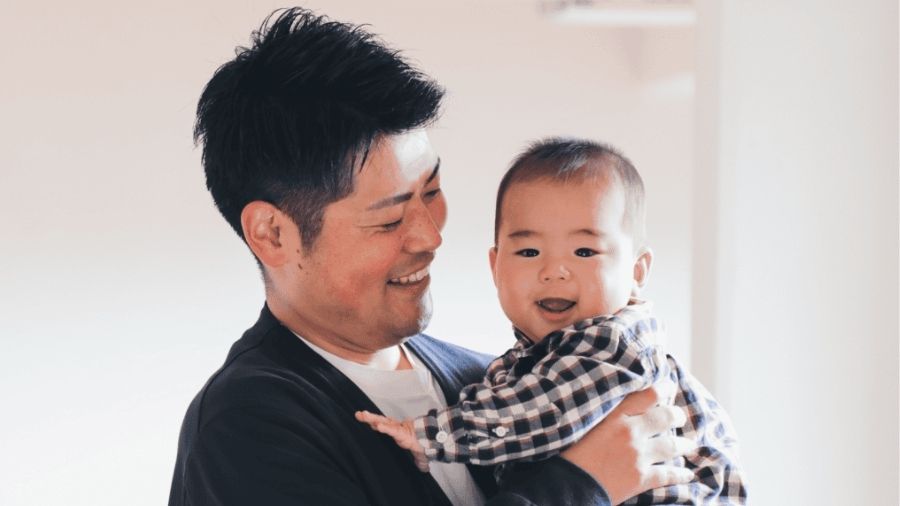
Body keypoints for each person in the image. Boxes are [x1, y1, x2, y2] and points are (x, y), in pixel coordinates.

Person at [168, 8, 695, 505]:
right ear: (272, 234)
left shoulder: (495, 381)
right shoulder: (246, 427)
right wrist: (583, 483)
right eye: (390, 218)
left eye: (432, 190)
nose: (429, 236)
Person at [357, 138, 747, 504]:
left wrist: (428, 436)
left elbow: (540, 413)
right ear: (495, 267)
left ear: (637, 271)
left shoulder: (612, 344)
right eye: (529, 251)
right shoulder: (523, 364)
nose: (554, 271)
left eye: (584, 251)